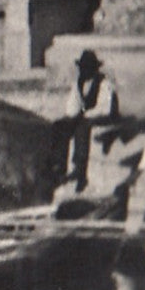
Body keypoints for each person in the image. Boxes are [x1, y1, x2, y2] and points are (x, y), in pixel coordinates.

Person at [57, 49, 121, 194]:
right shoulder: (79, 82)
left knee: (82, 127)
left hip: (106, 115)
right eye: (82, 68)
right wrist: (70, 117)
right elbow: (73, 104)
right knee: (61, 125)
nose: (83, 71)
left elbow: (105, 107)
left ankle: (81, 171)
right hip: (87, 115)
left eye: (86, 68)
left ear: (94, 69)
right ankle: (60, 167)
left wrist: (84, 115)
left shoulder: (103, 83)